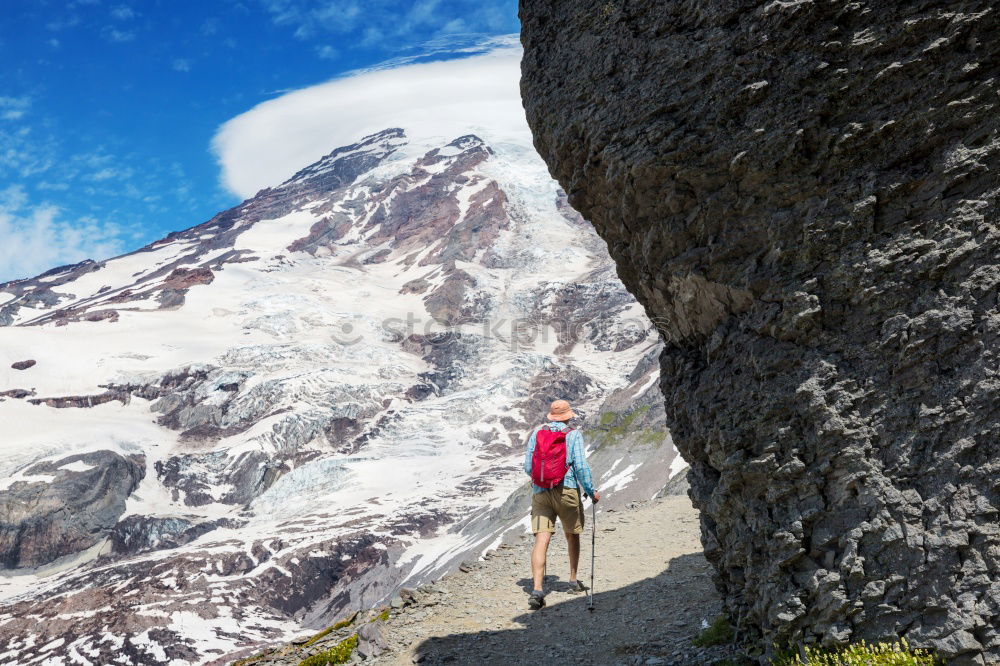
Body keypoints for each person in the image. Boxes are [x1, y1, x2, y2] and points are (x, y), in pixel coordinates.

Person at [523, 399, 601, 609]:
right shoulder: (573, 434)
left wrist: (540, 479)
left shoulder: (537, 434)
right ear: (568, 416)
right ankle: (573, 580)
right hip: (566, 490)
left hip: (541, 491)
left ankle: (537, 589)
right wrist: (591, 491)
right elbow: (580, 466)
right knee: (571, 534)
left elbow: (527, 466)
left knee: (541, 539)